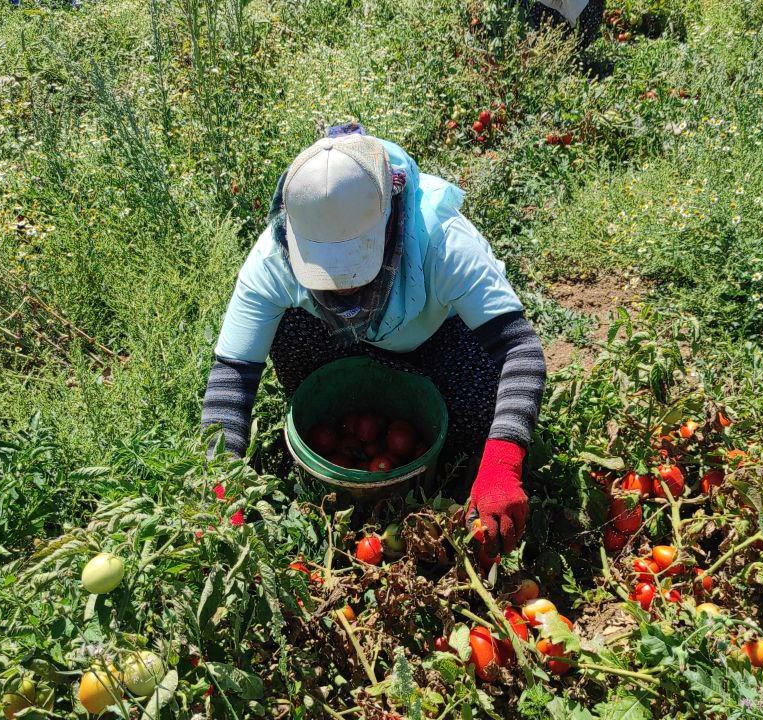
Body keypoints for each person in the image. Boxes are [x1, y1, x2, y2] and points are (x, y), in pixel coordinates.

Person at [201, 124, 547, 553]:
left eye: (352, 267)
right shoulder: (274, 259)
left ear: (389, 224)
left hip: (439, 340)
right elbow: (233, 375)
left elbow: (519, 350)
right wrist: (222, 485)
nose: (342, 288)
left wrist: (502, 464)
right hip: (339, 344)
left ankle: (454, 448)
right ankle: (346, 413)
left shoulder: (440, 240)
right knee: (289, 326)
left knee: (477, 414)